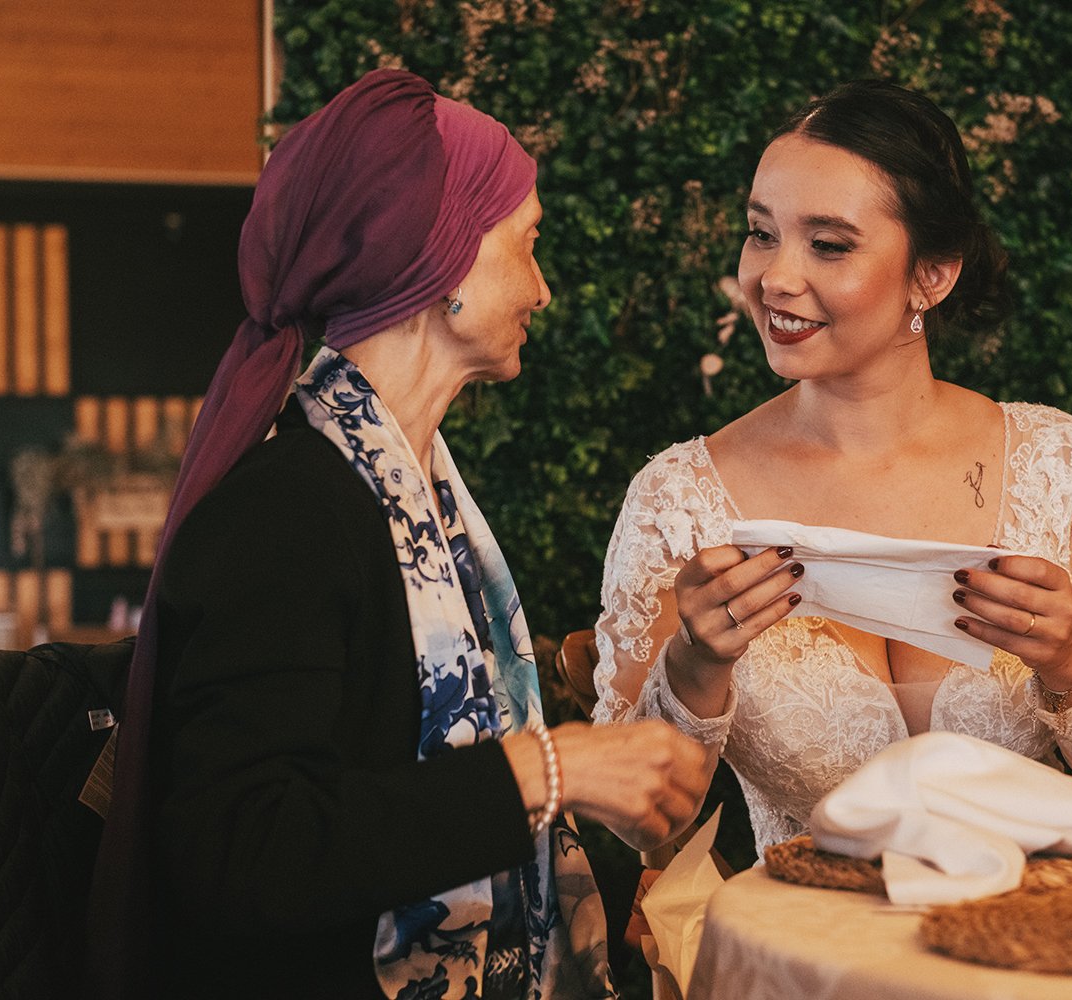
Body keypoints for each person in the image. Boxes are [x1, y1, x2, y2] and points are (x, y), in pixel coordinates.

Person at [85, 69, 706, 1000]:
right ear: (445, 265)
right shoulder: (288, 510)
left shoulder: (420, 501)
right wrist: (551, 766)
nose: (542, 288)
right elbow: (245, 852)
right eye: (526, 246)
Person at [592, 81, 1072, 859]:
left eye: (827, 245)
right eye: (761, 233)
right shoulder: (681, 500)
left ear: (932, 275)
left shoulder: (1052, 464)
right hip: (808, 950)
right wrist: (697, 665)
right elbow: (634, 824)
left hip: (1022, 943)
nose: (774, 277)